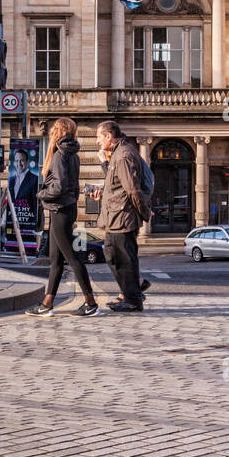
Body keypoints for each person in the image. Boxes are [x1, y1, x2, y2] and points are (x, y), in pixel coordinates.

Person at [26, 117, 99, 319]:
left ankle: (90, 302)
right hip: (65, 208)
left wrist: (40, 194)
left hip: (60, 209)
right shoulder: (72, 154)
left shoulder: (60, 155)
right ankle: (47, 303)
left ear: (56, 133)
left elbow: (58, 186)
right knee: (55, 259)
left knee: (71, 258)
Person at [93, 119, 150, 313]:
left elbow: (132, 190)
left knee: (123, 259)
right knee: (112, 256)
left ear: (109, 136)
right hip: (115, 217)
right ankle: (131, 290)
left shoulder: (123, 155)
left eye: (99, 137)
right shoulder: (117, 153)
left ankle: (133, 299)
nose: (97, 142)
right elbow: (117, 186)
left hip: (123, 218)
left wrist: (144, 213)